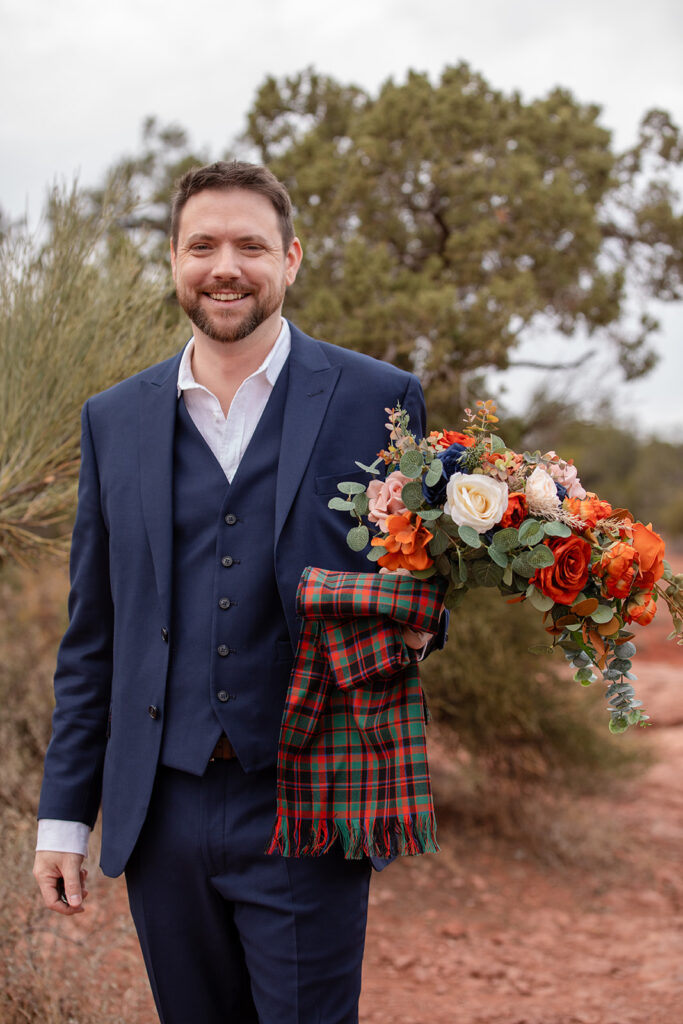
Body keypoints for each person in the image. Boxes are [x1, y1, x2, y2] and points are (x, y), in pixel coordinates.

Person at [33, 161, 437, 1023]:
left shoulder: (379, 400)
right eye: (203, 245)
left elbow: (422, 589)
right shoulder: (113, 418)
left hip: (308, 794)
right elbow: (93, 634)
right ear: (174, 262)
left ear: (289, 260)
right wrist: (64, 818)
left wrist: (406, 628)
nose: (227, 266)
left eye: (250, 245)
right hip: (159, 805)